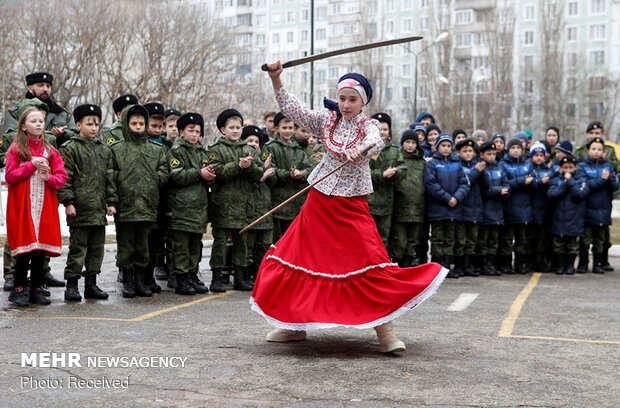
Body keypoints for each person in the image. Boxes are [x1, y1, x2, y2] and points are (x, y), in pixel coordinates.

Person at [252, 62, 447, 354]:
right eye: (342, 98)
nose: (345, 104)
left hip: (352, 203)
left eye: (352, 99)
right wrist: (276, 78)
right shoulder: (327, 120)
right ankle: (295, 327)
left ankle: (386, 332)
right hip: (319, 199)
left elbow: (376, 141)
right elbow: (294, 110)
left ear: (363, 102)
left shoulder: (368, 125)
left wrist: (363, 149)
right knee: (301, 256)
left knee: (368, 259)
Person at [5, 107, 68, 306]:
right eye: (33, 121)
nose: (39, 124)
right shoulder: (16, 149)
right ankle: (18, 288)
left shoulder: (51, 151)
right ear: (23, 126)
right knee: (25, 249)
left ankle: (37, 287)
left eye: (41, 120)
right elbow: (10, 176)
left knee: (39, 250)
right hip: (22, 207)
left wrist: (48, 177)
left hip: (44, 208)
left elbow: (62, 177)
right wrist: (31, 165)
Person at [109, 104, 168, 297]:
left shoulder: (156, 149)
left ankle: (140, 280)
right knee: (126, 245)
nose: (138, 127)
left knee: (143, 245)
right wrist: (113, 200)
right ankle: (127, 280)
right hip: (125, 206)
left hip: (147, 205)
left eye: (141, 123)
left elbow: (164, 171)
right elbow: (110, 176)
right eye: (134, 123)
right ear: (126, 124)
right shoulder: (117, 149)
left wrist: (154, 180)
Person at [58, 104, 114, 302]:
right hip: (79, 210)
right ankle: (71, 285)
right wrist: (68, 202)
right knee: (78, 250)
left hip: (98, 210)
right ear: (78, 124)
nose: (93, 128)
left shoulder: (104, 150)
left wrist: (111, 202)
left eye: (97, 124)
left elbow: (110, 179)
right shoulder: (70, 148)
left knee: (96, 250)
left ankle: (91, 284)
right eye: (89, 124)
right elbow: (65, 178)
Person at [208, 109, 263, 292]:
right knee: (220, 243)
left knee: (242, 244)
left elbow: (259, 174)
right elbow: (216, 173)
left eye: (238, 127)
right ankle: (216, 277)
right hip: (223, 205)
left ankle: (240, 277)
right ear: (223, 129)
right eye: (231, 127)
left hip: (244, 205)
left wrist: (249, 168)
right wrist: (237, 166)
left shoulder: (249, 150)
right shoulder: (215, 149)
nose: (235, 131)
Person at [166, 113, 215, 295]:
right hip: (181, 208)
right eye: (190, 131)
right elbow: (176, 175)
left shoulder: (202, 152)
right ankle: (180, 278)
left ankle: (192, 274)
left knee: (196, 245)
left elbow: (207, 175)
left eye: (198, 131)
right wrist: (199, 174)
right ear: (181, 132)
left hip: (199, 208)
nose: (194, 135)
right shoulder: (176, 151)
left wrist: (209, 176)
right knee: (181, 246)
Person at [424, 133, 471, 278]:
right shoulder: (432, 164)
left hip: (454, 209)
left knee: (450, 239)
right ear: (437, 147)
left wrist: (456, 197)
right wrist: (447, 198)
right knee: (438, 239)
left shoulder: (457, 164)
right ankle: (437, 267)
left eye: (448, 146)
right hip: (438, 209)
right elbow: (430, 184)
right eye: (443, 146)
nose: (446, 148)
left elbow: (465, 183)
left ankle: (447, 266)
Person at [575, 122, 618, 272]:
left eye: (599, 149)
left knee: (600, 239)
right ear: (588, 151)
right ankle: (583, 262)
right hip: (587, 208)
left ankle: (598, 263)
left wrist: (610, 179)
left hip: (603, 208)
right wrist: (602, 181)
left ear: (604, 152)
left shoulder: (608, 166)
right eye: (593, 149)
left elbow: (615, 186)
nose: (596, 152)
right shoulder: (583, 166)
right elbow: (585, 185)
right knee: (585, 238)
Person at [262, 113, 312, 241]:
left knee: (293, 241)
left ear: (294, 129)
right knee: (275, 241)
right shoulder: (270, 147)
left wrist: (302, 174)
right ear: (277, 128)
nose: (287, 131)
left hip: (295, 203)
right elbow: (270, 171)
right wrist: (288, 174)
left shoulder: (300, 150)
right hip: (276, 202)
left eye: (290, 128)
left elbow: (309, 169)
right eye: (284, 128)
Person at [3, 72, 78, 147]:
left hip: (56, 156)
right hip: (26, 155)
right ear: (30, 88)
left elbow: (76, 135)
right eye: (40, 85)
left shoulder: (62, 113)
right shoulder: (16, 111)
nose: (45, 89)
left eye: (48, 86)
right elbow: (10, 136)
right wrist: (50, 136)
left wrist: (62, 135)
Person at [242, 125, 276, 283]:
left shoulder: (265, 160)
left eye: (256, 141)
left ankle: (259, 273)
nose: (253, 144)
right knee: (248, 246)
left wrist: (269, 172)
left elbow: (274, 183)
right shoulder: (244, 162)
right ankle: (245, 273)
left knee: (264, 245)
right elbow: (246, 185)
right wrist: (261, 175)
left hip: (265, 210)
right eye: (249, 141)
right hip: (249, 211)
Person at [367, 112, 404, 250]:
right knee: (369, 238)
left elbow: (403, 169)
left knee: (384, 239)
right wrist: (382, 174)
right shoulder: (366, 150)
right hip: (368, 203)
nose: (382, 132)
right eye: (378, 129)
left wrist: (395, 173)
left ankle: (382, 267)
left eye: (385, 129)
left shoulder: (394, 151)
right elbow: (362, 173)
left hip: (387, 204)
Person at [547, 156, 589, 275]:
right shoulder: (555, 180)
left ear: (576, 167)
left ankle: (570, 265)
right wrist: (564, 184)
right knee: (558, 245)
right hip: (559, 219)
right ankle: (560, 265)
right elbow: (552, 195)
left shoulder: (581, 180)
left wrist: (570, 181)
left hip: (574, 220)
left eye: (571, 167)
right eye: (565, 168)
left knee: (572, 245)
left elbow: (579, 194)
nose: (568, 170)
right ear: (560, 168)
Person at [390, 130, 426, 267]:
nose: (410, 146)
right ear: (402, 143)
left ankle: (409, 261)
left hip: (417, 207)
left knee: (413, 239)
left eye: (413, 143)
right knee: (399, 239)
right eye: (407, 142)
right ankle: (398, 262)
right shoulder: (397, 159)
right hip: (400, 206)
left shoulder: (422, 163)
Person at [498, 137, 533, 274]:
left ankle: (520, 264)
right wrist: (522, 181)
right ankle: (506, 264)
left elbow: (533, 181)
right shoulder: (503, 164)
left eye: (518, 148)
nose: (516, 150)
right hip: (509, 207)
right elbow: (506, 183)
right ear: (508, 149)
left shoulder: (527, 164)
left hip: (525, 208)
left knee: (522, 239)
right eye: (513, 148)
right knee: (507, 239)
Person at [475, 141, 509, 276]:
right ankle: (483, 264)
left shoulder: (499, 168)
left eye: (494, 154)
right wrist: (498, 190)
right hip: (484, 210)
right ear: (481, 154)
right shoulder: (480, 169)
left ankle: (491, 264)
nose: (491, 157)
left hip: (497, 210)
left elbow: (507, 186)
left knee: (493, 240)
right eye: (488, 154)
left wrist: (501, 190)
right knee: (483, 240)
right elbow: (485, 190)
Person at [453, 138, 484, 277]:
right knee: (461, 240)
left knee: (471, 240)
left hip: (475, 208)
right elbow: (466, 182)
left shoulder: (478, 165)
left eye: (470, 151)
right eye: (464, 151)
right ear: (459, 152)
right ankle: (458, 266)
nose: (467, 153)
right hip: (461, 209)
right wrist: (476, 172)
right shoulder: (457, 166)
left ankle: (468, 265)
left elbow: (486, 187)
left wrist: (482, 172)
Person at [528, 142, 554, 272]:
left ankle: (541, 261)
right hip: (531, 208)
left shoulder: (548, 171)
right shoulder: (528, 169)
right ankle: (530, 261)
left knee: (542, 238)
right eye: (536, 155)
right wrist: (539, 182)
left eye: (541, 155)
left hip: (545, 209)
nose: (538, 158)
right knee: (531, 237)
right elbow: (530, 185)